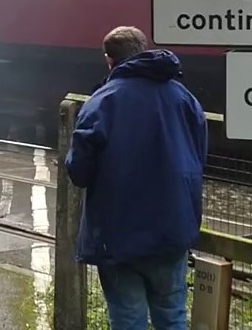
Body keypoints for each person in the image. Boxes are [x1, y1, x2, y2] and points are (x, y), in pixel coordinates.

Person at [64, 25, 208, 330]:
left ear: (109, 60)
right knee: (173, 316)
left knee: (128, 320)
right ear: (143, 51)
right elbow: (199, 158)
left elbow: (79, 171)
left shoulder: (102, 102)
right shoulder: (185, 99)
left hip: (119, 236)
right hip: (172, 230)